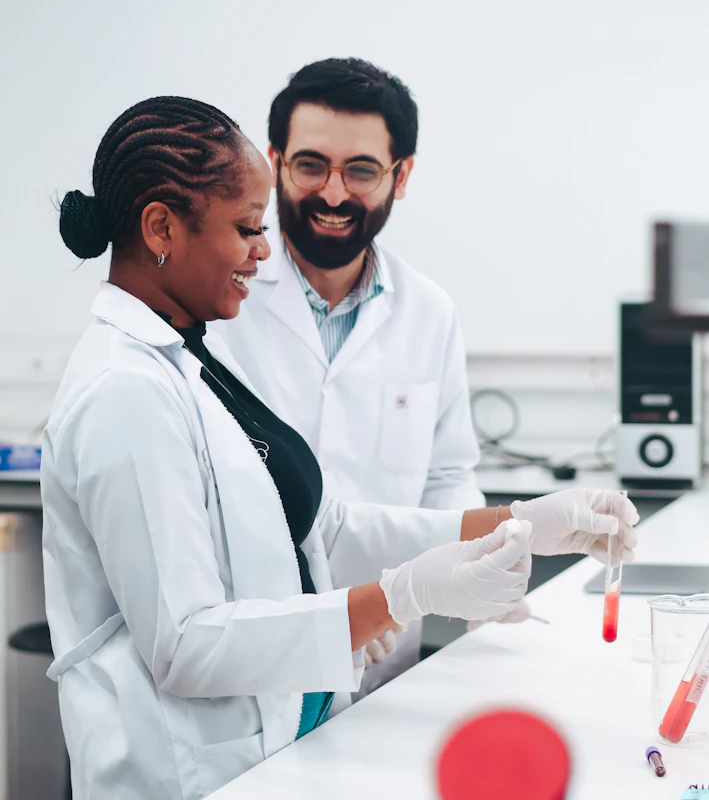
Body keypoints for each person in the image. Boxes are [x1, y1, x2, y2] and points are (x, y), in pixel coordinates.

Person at [42, 96, 638, 800]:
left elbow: (322, 529)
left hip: (288, 746)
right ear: (161, 226)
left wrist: (520, 522)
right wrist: (397, 597)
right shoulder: (124, 390)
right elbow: (185, 644)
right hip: (188, 775)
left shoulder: (186, 359)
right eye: (245, 230)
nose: (262, 253)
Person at [214, 58, 485, 685]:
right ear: (276, 161)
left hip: (387, 662)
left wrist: (474, 561)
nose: (333, 194)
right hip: (255, 652)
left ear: (402, 175)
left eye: (361, 170)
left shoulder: (429, 312)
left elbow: (447, 475)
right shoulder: (221, 300)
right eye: (311, 165)